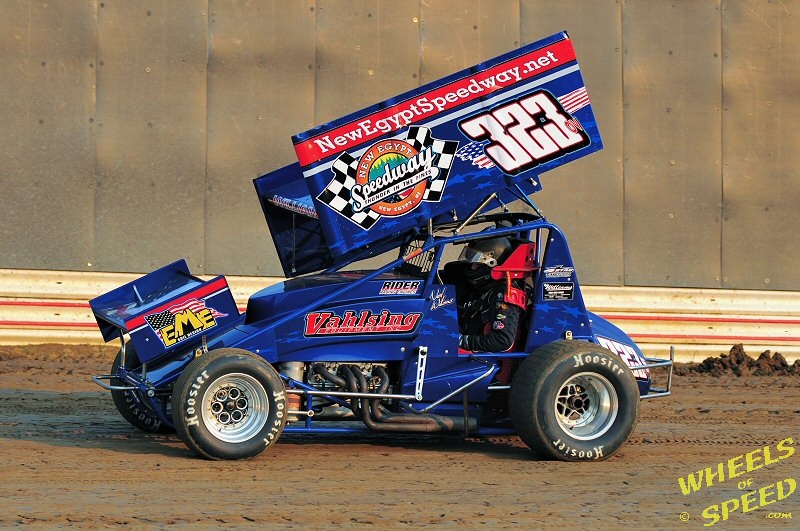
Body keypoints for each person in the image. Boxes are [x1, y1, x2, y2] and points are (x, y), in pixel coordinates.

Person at [443, 236, 526, 353]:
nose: (472, 268)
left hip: (478, 358)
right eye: (471, 263)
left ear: (491, 265)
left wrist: (460, 340)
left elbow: (502, 341)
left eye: (477, 265)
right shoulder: (479, 286)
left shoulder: (504, 293)